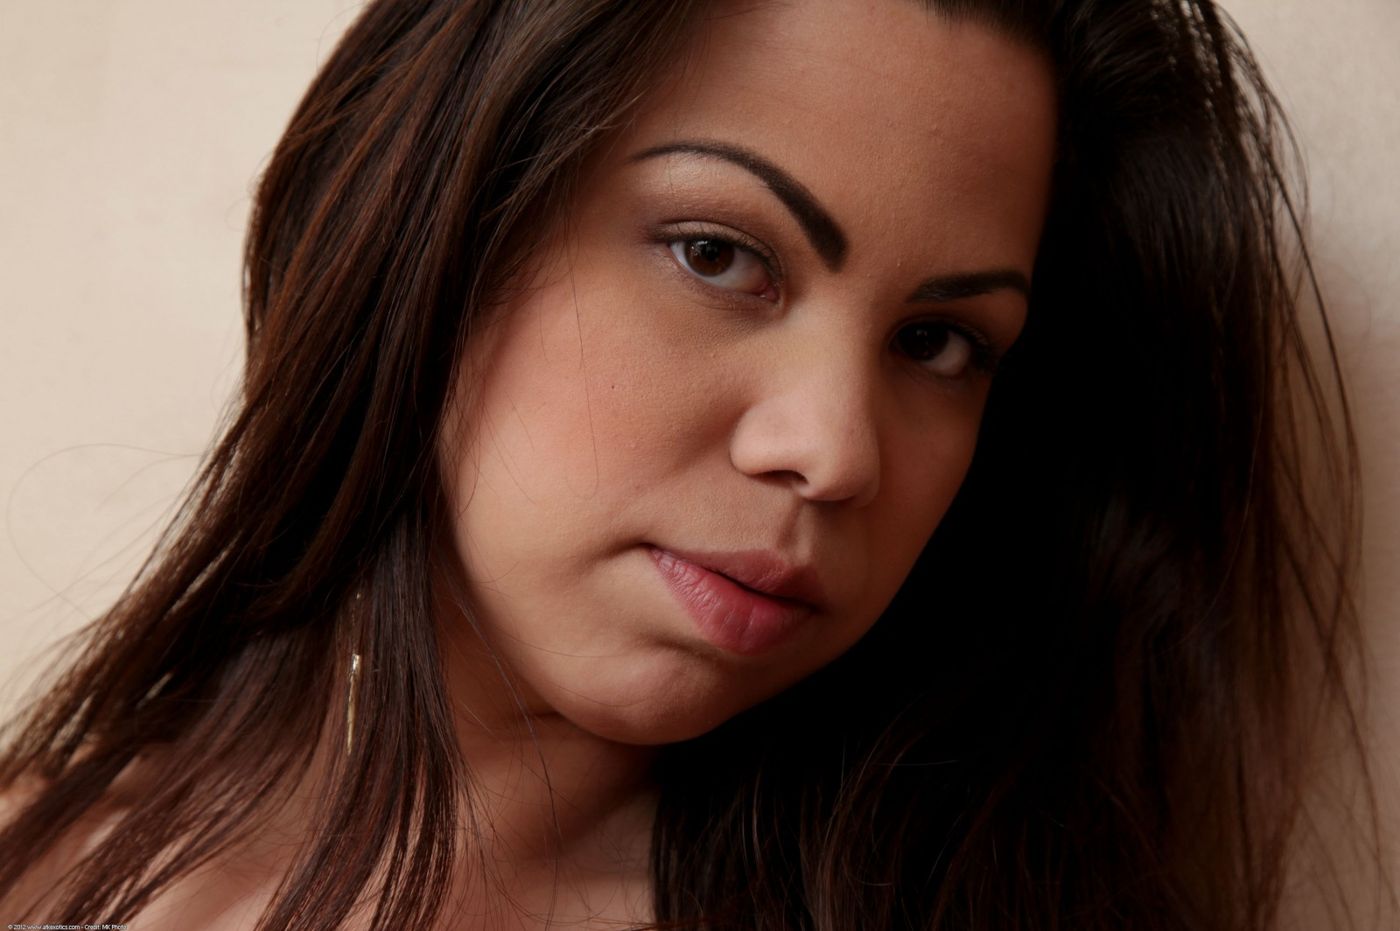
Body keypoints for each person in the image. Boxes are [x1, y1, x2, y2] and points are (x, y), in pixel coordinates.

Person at [0, 0, 1373, 928]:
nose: (834, 452)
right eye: (718, 255)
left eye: (939, 343)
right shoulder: (36, 853)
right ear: (435, 228)